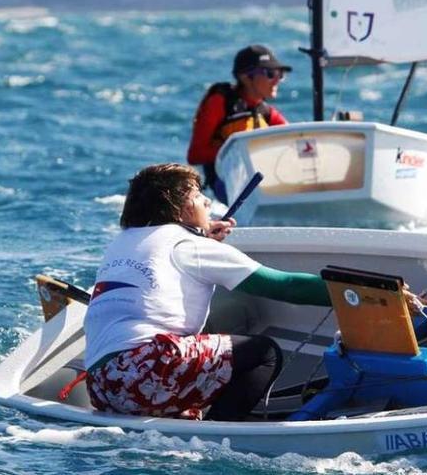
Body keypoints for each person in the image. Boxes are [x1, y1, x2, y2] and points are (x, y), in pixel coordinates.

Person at [83, 163, 331, 421]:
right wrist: (349, 291)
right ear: (183, 208)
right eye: (201, 197)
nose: (208, 204)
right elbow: (284, 285)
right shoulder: (189, 245)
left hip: (102, 387)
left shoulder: (122, 242)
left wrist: (202, 238)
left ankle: (182, 413)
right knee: (262, 352)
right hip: (146, 373)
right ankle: (222, 429)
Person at [187, 45, 291, 204]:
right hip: (224, 185)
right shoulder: (220, 102)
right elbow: (195, 155)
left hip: (258, 184)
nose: (277, 80)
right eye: (270, 74)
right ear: (245, 77)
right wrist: (240, 151)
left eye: (280, 74)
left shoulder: (267, 114)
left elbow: (292, 139)